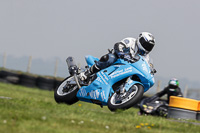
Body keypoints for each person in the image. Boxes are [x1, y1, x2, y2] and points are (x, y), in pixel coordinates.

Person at [79, 32, 156, 81]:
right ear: (140, 40)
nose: (147, 47)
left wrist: (150, 70)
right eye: (146, 44)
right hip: (117, 59)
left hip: (127, 68)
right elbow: (118, 45)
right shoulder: (131, 41)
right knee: (110, 58)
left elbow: (145, 65)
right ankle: (87, 73)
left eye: (149, 46)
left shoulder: (146, 56)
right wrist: (122, 53)